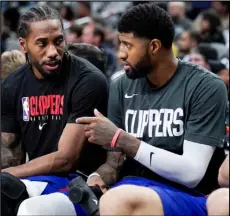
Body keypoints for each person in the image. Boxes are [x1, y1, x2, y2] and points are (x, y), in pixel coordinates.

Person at [76, 3, 228, 216]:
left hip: (186, 193)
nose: (120, 54)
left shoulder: (206, 87)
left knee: (118, 200)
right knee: (45, 205)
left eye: (128, 45)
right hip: (129, 186)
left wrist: (121, 138)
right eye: (120, 44)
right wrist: (97, 177)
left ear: (154, 47)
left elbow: (192, 172)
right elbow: (114, 164)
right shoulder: (121, 86)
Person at [1, 4, 108, 178]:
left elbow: (66, 159)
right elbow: (9, 152)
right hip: (32, 179)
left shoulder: (88, 80)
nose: (52, 52)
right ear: (23, 45)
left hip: (79, 181)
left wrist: (8, 174)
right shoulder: (11, 85)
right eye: (42, 43)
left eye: (58, 41)